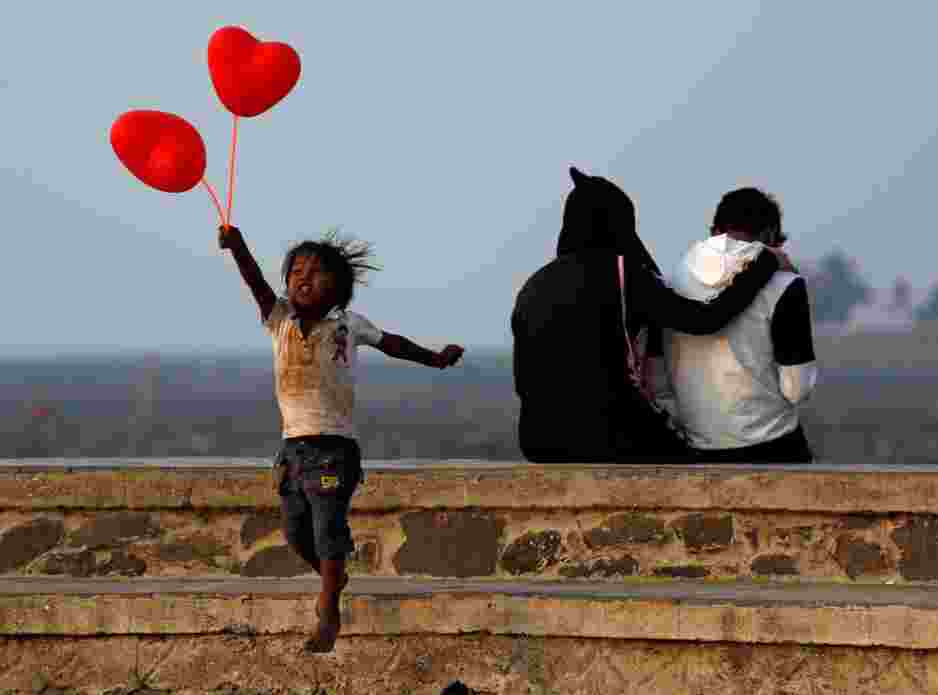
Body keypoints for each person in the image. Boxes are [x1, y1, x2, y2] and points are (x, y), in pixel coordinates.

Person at [218, 224, 464, 653]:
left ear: (339, 288)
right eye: (296, 271)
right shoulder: (279, 321)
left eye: (316, 272)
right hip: (292, 447)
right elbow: (256, 282)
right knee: (296, 533)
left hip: (334, 449)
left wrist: (436, 359)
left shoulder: (348, 326)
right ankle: (334, 575)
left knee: (328, 526)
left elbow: (395, 345)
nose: (303, 279)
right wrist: (237, 247)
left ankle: (328, 607)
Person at [511, 167, 791, 462]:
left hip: (538, 443)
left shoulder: (534, 285)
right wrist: (763, 265)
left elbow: (523, 382)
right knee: (701, 457)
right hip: (606, 440)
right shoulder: (622, 275)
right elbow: (705, 319)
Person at [665, 187, 818, 462]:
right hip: (772, 447)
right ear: (770, 236)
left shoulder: (674, 278)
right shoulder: (785, 285)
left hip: (697, 449)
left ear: (714, 230)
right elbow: (797, 389)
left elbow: (658, 379)